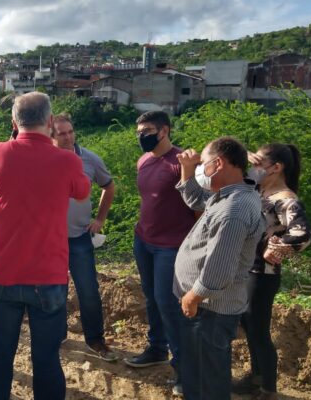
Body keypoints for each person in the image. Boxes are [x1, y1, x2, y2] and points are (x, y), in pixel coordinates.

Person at [0, 92, 91, 400]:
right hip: (49, 276)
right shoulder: (67, 159)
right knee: (46, 359)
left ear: (14, 123)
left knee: (0, 356)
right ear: (51, 122)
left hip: (4, 273)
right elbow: (82, 194)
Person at [174, 136, 266, 400]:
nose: (202, 170)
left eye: (204, 165)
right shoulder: (228, 194)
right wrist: (188, 169)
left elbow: (220, 265)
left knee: (207, 379)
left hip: (209, 308)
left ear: (219, 163)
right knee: (200, 370)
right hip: (206, 306)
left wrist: (194, 295)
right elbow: (194, 199)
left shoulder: (233, 209)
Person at [232, 144, 311, 400]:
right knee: (248, 323)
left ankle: (268, 389)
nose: (253, 170)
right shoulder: (257, 189)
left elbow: (302, 234)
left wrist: (277, 247)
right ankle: (256, 377)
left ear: (276, 168)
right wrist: (241, 157)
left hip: (263, 274)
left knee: (258, 330)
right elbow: (226, 181)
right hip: (246, 268)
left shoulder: (285, 198)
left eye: (258, 164)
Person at [126, 111, 195, 395]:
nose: (143, 136)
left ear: (164, 130)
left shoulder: (181, 162)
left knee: (168, 302)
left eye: (149, 130)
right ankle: (156, 348)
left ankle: (184, 368)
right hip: (144, 240)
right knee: (151, 297)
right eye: (140, 131)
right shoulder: (144, 160)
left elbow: (197, 202)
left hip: (172, 244)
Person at [51, 113, 117, 361]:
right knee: (54, 290)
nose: (67, 137)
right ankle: (56, 336)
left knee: (88, 289)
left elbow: (108, 187)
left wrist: (100, 219)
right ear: (51, 135)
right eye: (61, 133)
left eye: (70, 131)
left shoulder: (89, 159)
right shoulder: (45, 159)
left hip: (79, 236)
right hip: (51, 238)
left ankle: (95, 339)